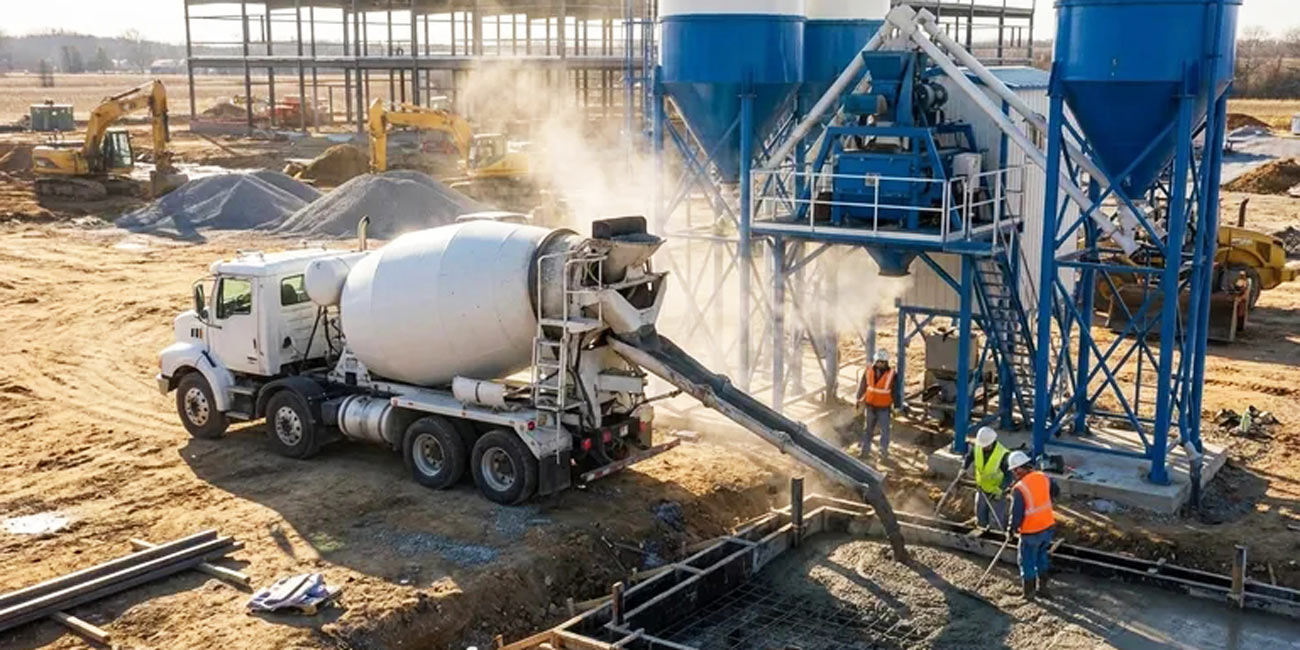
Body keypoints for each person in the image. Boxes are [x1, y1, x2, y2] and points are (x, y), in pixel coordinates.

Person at [1006, 450, 1060, 599]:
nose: (1014, 474)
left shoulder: (1020, 488)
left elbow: (1016, 514)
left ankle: (1029, 593)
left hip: (1031, 531)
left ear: (1019, 469)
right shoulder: (1043, 477)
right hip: (1047, 527)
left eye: (1014, 471)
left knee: (1027, 562)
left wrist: (1011, 530)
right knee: (1042, 558)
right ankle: (1043, 588)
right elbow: (1056, 491)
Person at [962, 426, 1010, 531]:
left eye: (986, 446)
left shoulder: (1002, 454)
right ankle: (980, 530)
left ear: (992, 442)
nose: (983, 448)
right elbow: (969, 457)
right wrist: (963, 468)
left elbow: (1009, 475)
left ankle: (997, 535)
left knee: (996, 519)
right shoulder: (978, 447)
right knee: (980, 515)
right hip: (982, 488)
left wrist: (1001, 489)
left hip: (996, 491)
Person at [856, 349, 895, 461]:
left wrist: (897, 406)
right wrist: (858, 399)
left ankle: (883, 454)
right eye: (878, 361)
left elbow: (895, 390)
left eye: (882, 362)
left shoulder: (891, 374)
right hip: (870, 406)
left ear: (886, 362)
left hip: (884, 408)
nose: (880, 364)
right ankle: (864, 452)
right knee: (868, 430)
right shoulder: (868, 371)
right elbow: (863, 385)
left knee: (885, 431)